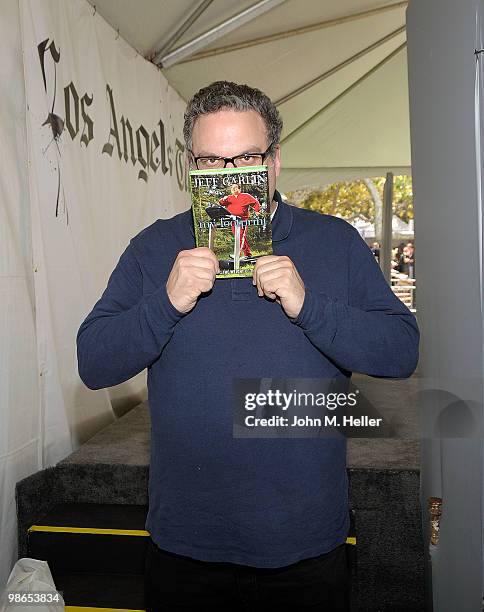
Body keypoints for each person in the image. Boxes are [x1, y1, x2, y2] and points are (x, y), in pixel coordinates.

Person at [76, 81, 420, 611]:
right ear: (190, 166)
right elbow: (94, 362)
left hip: (304, 548)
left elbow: (401, 351)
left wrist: (309, 305)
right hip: (186, 546)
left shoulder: (333, 241)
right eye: (210, 161)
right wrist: (165, 303)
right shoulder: (155, 247)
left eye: (246, 158)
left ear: (275, 163)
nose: (228, 175)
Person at [219, 183, 261, 257]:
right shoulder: (229, 198)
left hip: (242, 220)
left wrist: (257, 210)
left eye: (235, 187)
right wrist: (223, 199)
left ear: (239, 189)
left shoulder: (245, 196)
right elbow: (221, 203)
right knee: (238, 236)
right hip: (233, 220)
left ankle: (238, 254)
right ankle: (248, 254)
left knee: (241, 236)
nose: (234, 189)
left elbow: (255, 202)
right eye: (232, 188)